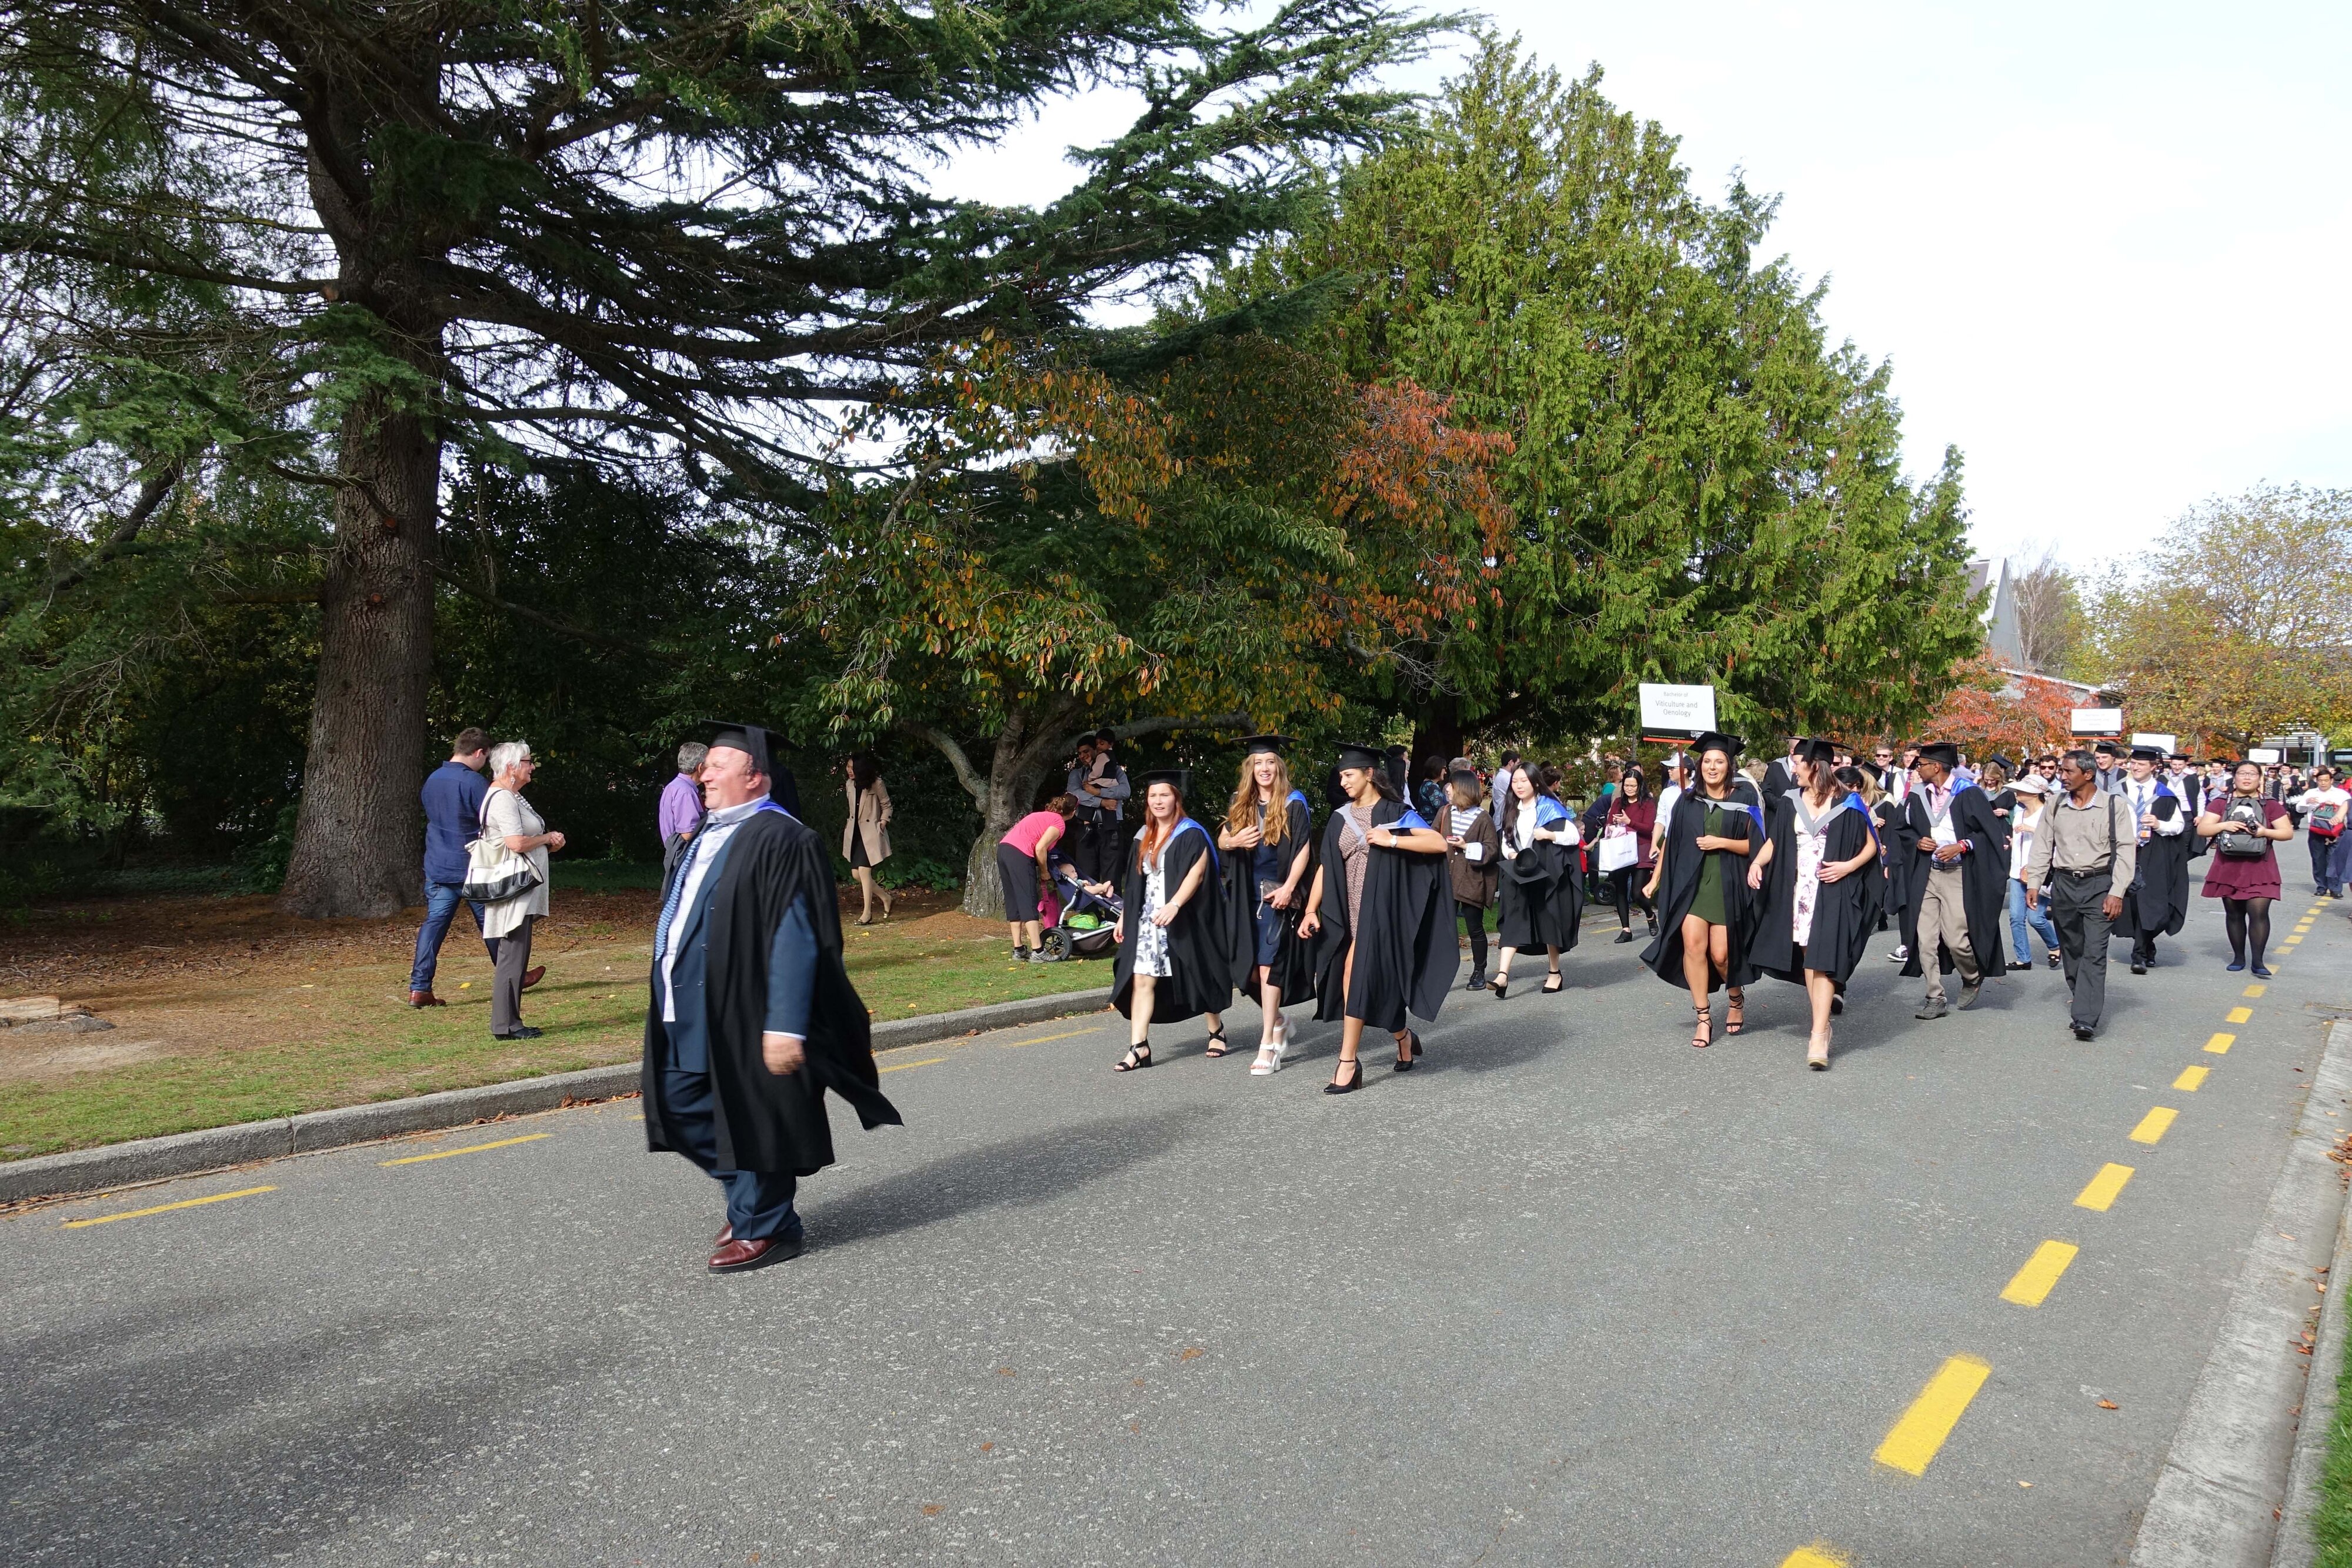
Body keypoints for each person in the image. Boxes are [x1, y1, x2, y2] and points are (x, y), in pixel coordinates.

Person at [643, 722, 901, 1273]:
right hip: (687, 1000)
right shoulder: (709, 832)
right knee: (679, 1101)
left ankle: (769, 1223)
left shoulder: (784, 838)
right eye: (705, 765)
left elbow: (797, 932)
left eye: (716, 765)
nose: (703, 773)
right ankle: (749, 1198)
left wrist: (785, 1023)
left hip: (747, 1004)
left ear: (754, 777)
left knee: (748, 1112)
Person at [1299, 742, 1453, 1092]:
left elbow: (1437, 844)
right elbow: (1326, 865)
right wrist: (1311, 909)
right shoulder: (1339, 817)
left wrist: (1392, 840)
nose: (1343, 782)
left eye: (1349, 775)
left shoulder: (1396, 813)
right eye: (1340, 776)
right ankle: (1403, 1035)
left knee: (1355, 975)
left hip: (1384, 912)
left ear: (1370, 774)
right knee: (1364, 985)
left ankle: (1348, 1062)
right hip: (1347, 912)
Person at [1745, 741, 1881, 1070]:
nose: (1793, 769)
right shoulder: (1792, 801)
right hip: (1797, 892)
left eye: (1797, 764)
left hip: (1833, 889)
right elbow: (1777, 840)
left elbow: (1871, 846)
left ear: (1815, 766)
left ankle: (1818, 1033)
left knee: (1822, 958)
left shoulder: (1848, 803)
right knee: (1810, 959)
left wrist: (1848, 867)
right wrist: (1758, 863)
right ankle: (1821, 1024)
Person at [1640, 732, 1762, 1047]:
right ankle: (1704, 1017)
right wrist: (1655, 879)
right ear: (1700, 766)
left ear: (1729, 766)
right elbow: (1672, 843)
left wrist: (1721, 842)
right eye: (1707, 761)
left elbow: (1759, 845)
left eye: (1719, 761)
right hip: (1691, 885)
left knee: (1721, 954)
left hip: (1727, 884)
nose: (1712, 767)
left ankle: (1735, 998)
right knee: (1694, 946)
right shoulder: (1687, 800)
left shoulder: (1745, 799)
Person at [1110, 771, 1230, 1071]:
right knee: (1141, 980)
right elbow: (1135, 881)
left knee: (1196, 971)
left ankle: (1215, 1029)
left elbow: (1198, 872)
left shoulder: (1191, 832)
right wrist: (1124, 916)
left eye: (1164, 795)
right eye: (1153, 796)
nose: (1158, 801)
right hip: (1148, 921)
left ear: (1176, 798)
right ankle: (1139, 1047)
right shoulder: (1143, 835)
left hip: (1183, 917)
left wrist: (1175, 904)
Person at [1217, 737, 1316, 1075]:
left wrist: (1290, 887)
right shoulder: (1240, 801)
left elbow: (1303, 848)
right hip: (1246, 893)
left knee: (1267, 965)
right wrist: (1233, 840)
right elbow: (1222, 837)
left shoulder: (1293, 802)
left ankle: (1269, 1045)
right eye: (1258, 763)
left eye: (1270, 762)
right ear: (1250, 769)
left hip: (1277, 892)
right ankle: (1278, 1020)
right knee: (1245, 966)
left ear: (1279, 767)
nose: (1264, 769)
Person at [2023, 749, 2135, 1040]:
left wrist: (2118, 891)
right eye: (2062, 771)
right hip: (2063, 885)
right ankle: (2082, 995)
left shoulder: (2114, 806)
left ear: (2088, 774)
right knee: (2072, 950)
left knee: (2095, 952)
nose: (2062, 776)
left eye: (2068, 772)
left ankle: (2085, 1017)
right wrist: (2034, 882)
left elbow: (2125, 851)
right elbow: (2042, 846)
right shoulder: (2056, 804)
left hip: (2100, 886)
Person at [1899, 741, 2007, 1020]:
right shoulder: (1917, 796)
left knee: (1957, 939)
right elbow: (1903, 829)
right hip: (1927, 873)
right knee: (1925, 941)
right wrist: (1916, 841)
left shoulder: (1968, 794)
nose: (1916, 769)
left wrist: (1962, 845)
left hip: (1959, 874)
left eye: (1921, 764)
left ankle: (1972, 976)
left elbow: (1989, 833)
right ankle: (1935, 996)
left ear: (1937, 767)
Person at [409, 726, 503, 1008]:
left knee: (434, 926)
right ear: (478, 753)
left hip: (438, 864)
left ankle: (419, 988)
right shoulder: (473, 783)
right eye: (485, 758)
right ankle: (512, 976)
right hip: (471, 866)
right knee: (492, 923)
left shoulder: (433, 779)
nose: (484, 764)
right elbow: (492, 820)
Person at [481, 740, 564, 1039]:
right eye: (528, 762)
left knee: (516, 955)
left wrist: (547, 843)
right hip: (513, 890)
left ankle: (510, 1022)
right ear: (511, 768)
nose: (532, 767)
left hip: (520, 888)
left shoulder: (512, 796)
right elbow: (515, 843)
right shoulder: (503, 798)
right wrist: (545, 839)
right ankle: (506, 1025)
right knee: (513, 956)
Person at [1490, 763, 1584, 997]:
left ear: (1534, 782)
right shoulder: (1511, 808)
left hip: (1545, 873)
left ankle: (1555, 972)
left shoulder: (1550, 808)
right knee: (1513, 918)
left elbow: (1573, 837)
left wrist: (1550, 835)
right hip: (1518, 871)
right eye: (1515, 781)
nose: (1519, 786)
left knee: (1547, 919)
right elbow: (1506, 839)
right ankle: (1503, 975)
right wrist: (1510, 852)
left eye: (1523, 781)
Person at [2198, 760, 2294, 978]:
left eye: (2252, 774)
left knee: (2259, 912)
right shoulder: (2222, 802)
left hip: (2261, 866)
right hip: (2228, 865)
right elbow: (2203, 829)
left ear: (2260, 778)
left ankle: (2258, 961)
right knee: (2234, 914)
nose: (2247, 778)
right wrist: (2224, 825)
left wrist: (2264, 832)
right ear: (2235, 777)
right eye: (2243, 774)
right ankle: (2238, 957)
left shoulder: (2270, 804)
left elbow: (2287, 833)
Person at [2115, 743, 2190, 973]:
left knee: (2154, 904)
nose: (2135, 767)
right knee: (2133, 903)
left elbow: (2179, 826)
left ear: (2153, 767)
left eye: (2141, 764)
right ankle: (2141, 949)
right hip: (2124, 850)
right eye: (2133, 763)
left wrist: (2159, 824)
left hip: (2154, 852)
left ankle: (2143, 947)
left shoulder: (2164, 795)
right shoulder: (2117, 791)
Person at [1442, 762, 1502, 993]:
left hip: (1472, 880)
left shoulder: (1483, 818)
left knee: (1474, 927)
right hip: (1447, 878)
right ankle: (1441, 971)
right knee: (1443, 929)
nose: (1448, 790)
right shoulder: (1445, 812)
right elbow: (1434, 838)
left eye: (1452, 786)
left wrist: (1467, 845)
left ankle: (1479, 970)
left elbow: (1492, 850)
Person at [997, 795, 1079, 963]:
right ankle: (1038, 951)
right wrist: (1044, 872)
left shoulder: (1041, 815)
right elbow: (1040, 848)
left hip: (1004, 850)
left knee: (1014, 900)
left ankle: (1019, 949)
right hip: (1020, 854)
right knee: (1028, 900)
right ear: (1073, 812)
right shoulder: (1059, 823)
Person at [2003, 774, 2064, 972]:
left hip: (2040, 873)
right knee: (2015, 917)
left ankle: (2055, 946)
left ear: (2034, 793)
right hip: (2017, 871)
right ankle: (2023, 958)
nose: (2017, 794)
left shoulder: (2048, 813)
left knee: (2036, 918)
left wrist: (2033, 829)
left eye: (2020, 790)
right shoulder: (2018, 812)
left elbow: (2057, 839)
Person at [1599, 765, 1658, 943]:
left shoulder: (1647, 803)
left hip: (1641, 850)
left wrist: (1629, 822)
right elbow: (1609, 824)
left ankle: (1650, 915)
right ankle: (1626, 929)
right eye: (1626, 786)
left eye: (1633, 786)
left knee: (1638, 892)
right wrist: (1613, 826)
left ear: (1640, 786)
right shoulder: (1618, 803)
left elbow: (1649, 829)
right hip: (1621, 851)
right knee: (1621, 890)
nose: (1629, 789)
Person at [841, 753, 895, 925]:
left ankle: (867, 914)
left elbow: (887, 805)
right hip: (855, 833)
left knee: (864, 872)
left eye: (853, 768)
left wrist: (883, 822)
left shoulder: (877, 783)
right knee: (856, 874)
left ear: (861, 769)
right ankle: (886, 898)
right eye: (848, 767)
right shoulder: (849, 784)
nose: (849, 771)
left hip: (871, 832)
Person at [1077, 730, 1133, 883]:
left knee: (1112, 877)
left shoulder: (1115, 770)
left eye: (1087, 751)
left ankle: (1112, 907)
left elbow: (1125, 791)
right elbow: (1076, 796)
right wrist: (1103, 802)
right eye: (1080, 753)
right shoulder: (1077, 774)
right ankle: (1090, 907)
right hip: (1088, 829)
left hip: (1111, 828)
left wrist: (1098, 791)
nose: (1083, 756)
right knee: (1088, 875)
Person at [2296, 766, 2348, 896]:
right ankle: (2321, 886)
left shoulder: (2341, 794)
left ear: (2331, 780)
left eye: (2326, 780)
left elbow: (2348, 810)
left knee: (2335, 859)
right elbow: (2299, 810)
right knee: (2318, 859)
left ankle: (2335, 888)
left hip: (2336, 831)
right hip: (2317, 830)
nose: (2323, 783)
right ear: (2317, 781)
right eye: (2320, 780)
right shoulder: (2311, 793)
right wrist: (2306, 802)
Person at [659, 741, 708, 879]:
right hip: (684, 859)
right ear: (700, 767)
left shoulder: (675, 786)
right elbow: (688, 834)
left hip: (675, 856)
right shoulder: (685, 791)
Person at [1490, 749, 1522, 828]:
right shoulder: (1505, 778)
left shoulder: (1505, 777)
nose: (1519, 767)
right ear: (1511, 763)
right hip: (1504, 823)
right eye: (1518, 764)